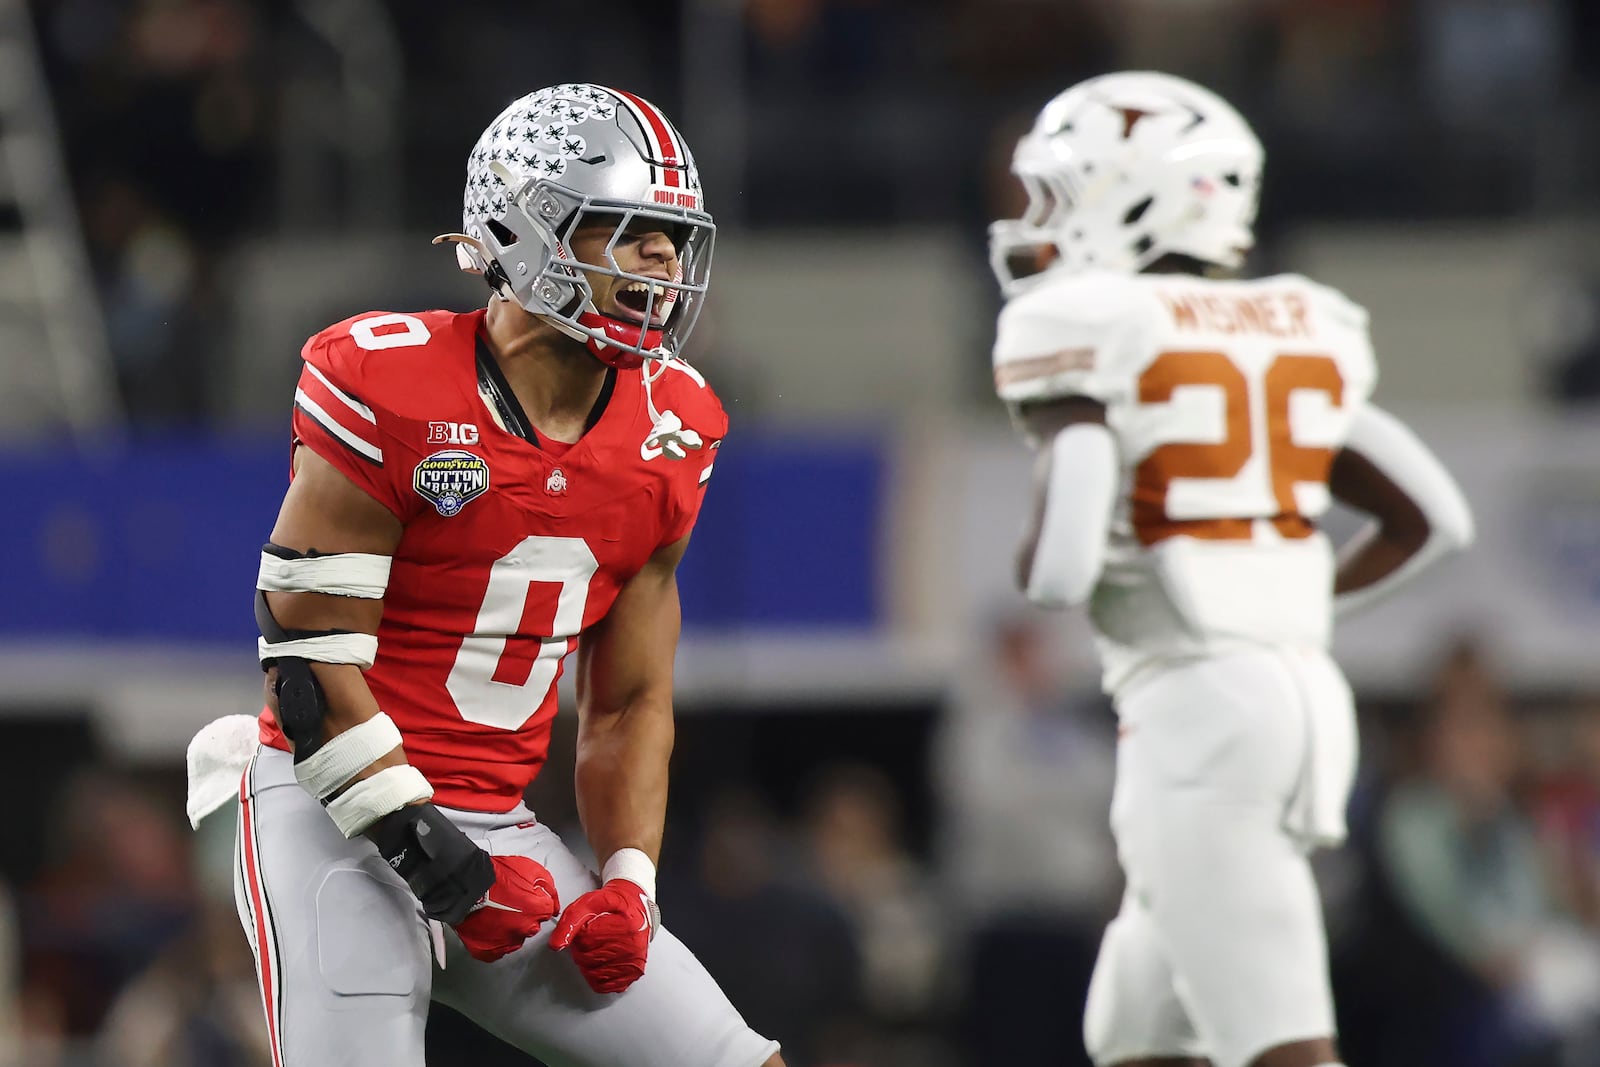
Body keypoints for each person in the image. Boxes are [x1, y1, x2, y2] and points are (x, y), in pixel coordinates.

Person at [183, 83, 783, 1067]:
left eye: (673, 238)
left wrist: (630, 876)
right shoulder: (389, 382)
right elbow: (303, 671)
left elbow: (630, 700)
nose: (664, 263)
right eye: (630, 232)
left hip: (499, 830)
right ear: (529, 229)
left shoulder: (674, 427)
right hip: (333, 810)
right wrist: (443, 866)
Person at [986, 71, 1476, 1067]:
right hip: (1292, 689)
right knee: (1132, 1030)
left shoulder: (1092, 326)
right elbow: (1434, 517)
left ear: (1127, 195)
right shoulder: (1294, 323)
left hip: (1199, 714)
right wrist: (1288, 596)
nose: (1033, 218)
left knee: (1282, 1043)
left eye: (1056, 191)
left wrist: (1041, 551)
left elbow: (1060, 566)